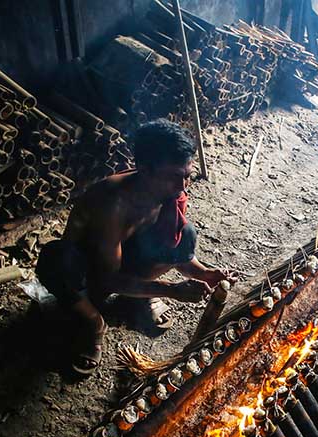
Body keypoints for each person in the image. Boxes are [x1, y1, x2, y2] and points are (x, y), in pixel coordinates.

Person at [36, 119, 231, 376]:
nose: (183, 186)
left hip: (124, 261)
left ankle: (135, 297)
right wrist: (170, 290)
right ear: (144, 169)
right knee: (57, 261)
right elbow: (106, 278)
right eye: (174, 177)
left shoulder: (168, 193)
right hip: (88, 272)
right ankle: (93, 323)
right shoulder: (112, 205)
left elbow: (175, 249)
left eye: (187, 176)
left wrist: (204, 273)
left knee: (185, 234)